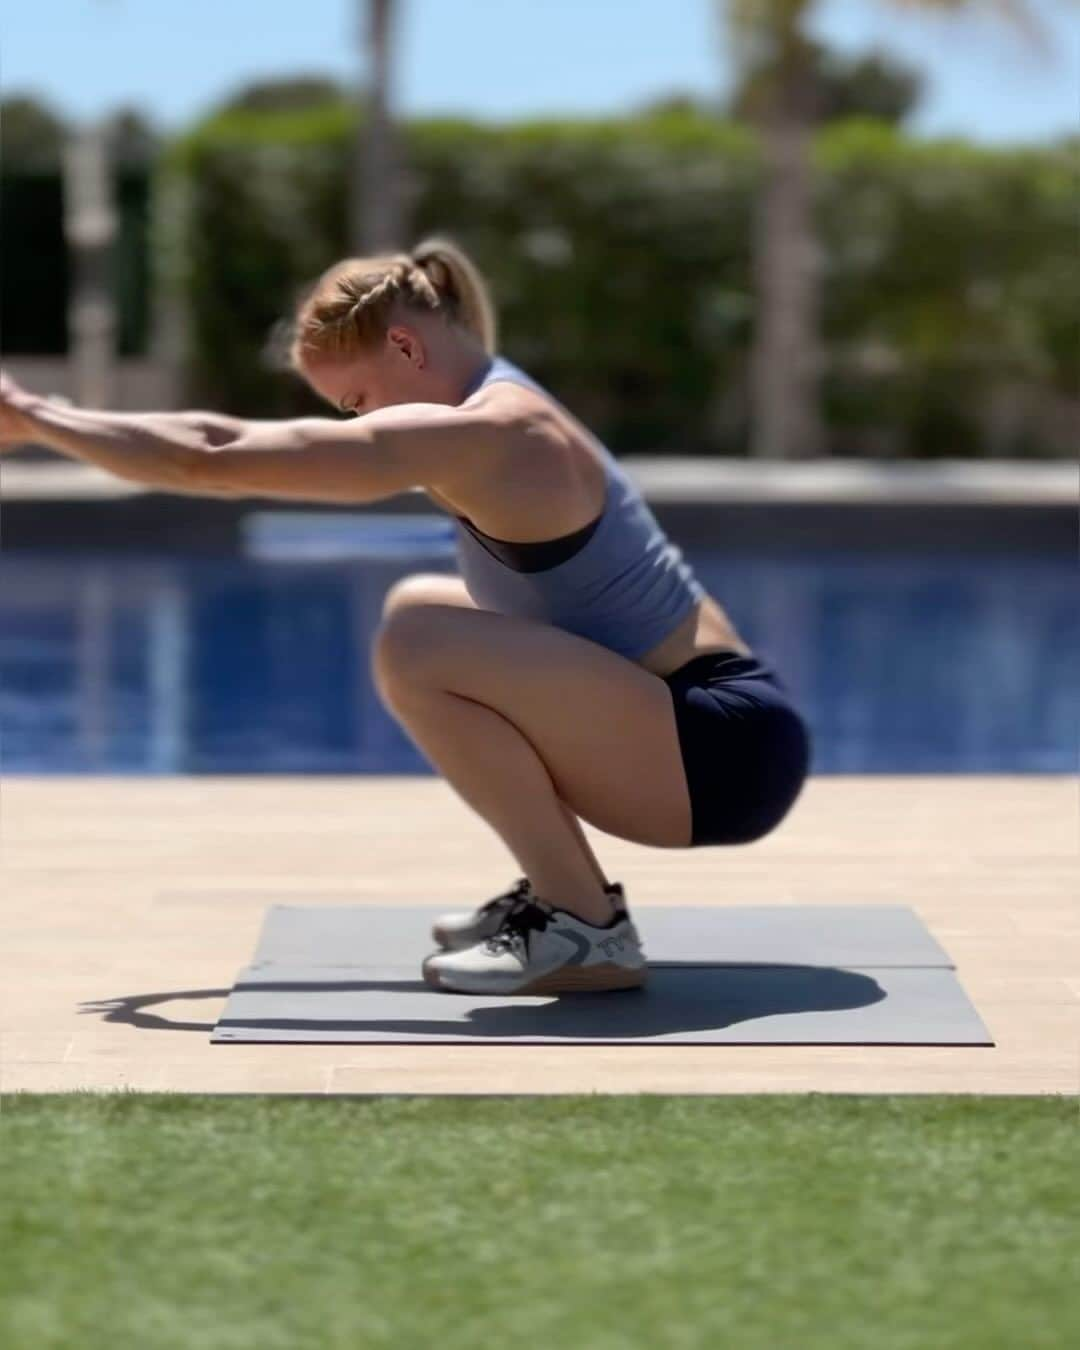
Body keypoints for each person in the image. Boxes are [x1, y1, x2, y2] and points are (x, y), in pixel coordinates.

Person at [0, 234, 812, 998]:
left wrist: (37, 420)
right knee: (419, 606)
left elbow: (208, 459)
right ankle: (564, 893)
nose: (359, 424)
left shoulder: (496, 431)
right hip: (705, 732)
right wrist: (44, 413)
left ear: (405, 348)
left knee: (419, 643)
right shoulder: (494, 401)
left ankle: (587, 931)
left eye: (356, 401)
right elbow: (218, 437)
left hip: (720, 751)